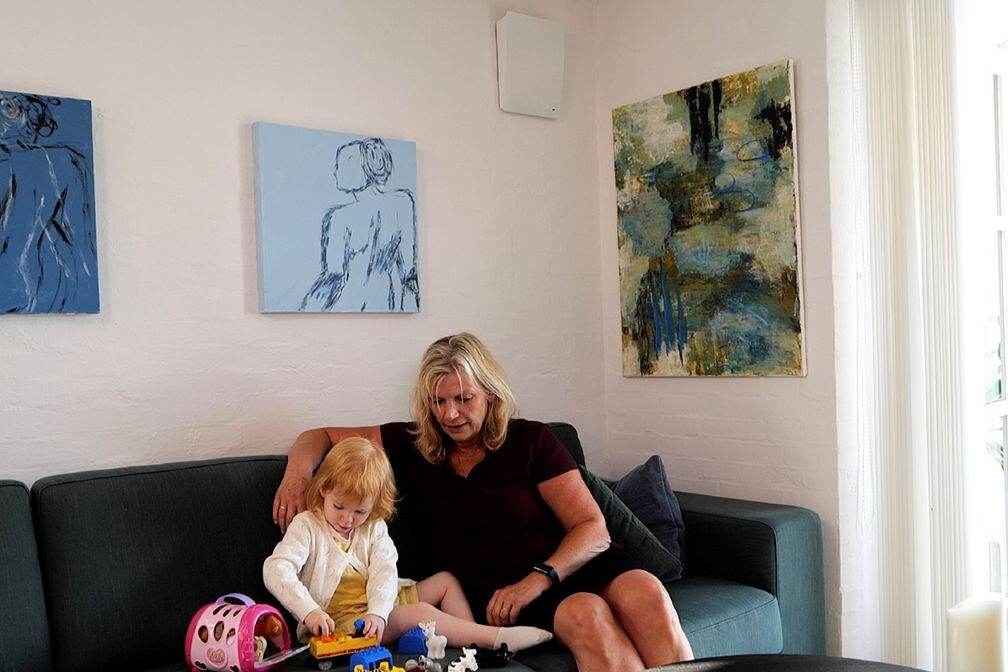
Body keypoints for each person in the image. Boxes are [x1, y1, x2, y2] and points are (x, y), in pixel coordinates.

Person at [272, 333, 694, 672]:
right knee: (588, 614)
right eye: (438, 401)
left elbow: (592, 528)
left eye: (464, 398)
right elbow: (318, 437)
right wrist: (297, 478)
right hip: (496, 597)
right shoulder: (411, 444)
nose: (450, 414)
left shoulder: (532, 440)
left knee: (647, 592)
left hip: (558, 568)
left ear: (491, 393)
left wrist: (539, 578)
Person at [263, 436, 552, 653]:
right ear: (324, 489)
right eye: (339, 506)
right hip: (342, 623)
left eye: (360, 511)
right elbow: (276, 569)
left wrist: (379, 612)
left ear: (373, 506)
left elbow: (384, 571)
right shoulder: (308, 526)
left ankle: (471, 644)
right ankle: (493, 639)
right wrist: (309, 611)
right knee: (419, 614)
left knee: (446, 581)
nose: (348, 520)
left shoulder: (373, 526)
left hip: (380, 608)